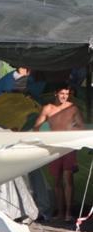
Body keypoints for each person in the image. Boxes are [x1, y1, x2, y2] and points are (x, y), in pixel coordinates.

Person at [35, 85, 86, 222]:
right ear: (55, 93)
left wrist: (72, 129)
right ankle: (60, 212)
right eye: (62, 93)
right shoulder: (48, 109)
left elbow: (82, 127)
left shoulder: (72, 108)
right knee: (57, 181)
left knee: (67, 178)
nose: (65, 96)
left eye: (67, 93)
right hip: (54, 147)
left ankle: (69, 212)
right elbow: (36, 127)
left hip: (68, 146)